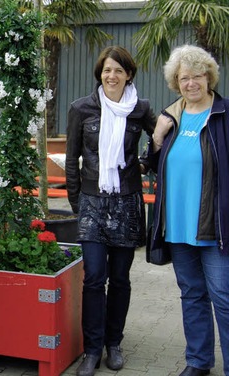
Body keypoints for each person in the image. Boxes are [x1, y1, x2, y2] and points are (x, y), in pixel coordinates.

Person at [65, 46, 155, 376]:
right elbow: (72, 160)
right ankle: (91, 350)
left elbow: (160, 140)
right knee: (93, 279)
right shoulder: (81, 108)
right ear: (99, 74)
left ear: (129, 74)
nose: (111, 76)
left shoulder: (140, 109)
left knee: (119, 279)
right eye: (106, 70)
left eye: (118, 70)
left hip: (127, 202)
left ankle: (113, 344)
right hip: (92, 202)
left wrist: (144, 163)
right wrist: (78, 204)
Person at [148, 44, 229, 376]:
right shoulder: (172, 117)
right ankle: (198, 361)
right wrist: (155, 139)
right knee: (192, 295)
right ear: (175, 82)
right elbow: (153, 166)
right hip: (179, 227)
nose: (191, 83)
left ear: (209, 78)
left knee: (224, 298)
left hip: (214, 227)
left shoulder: (223, 116)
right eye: (184, 78)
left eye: (197, 76)